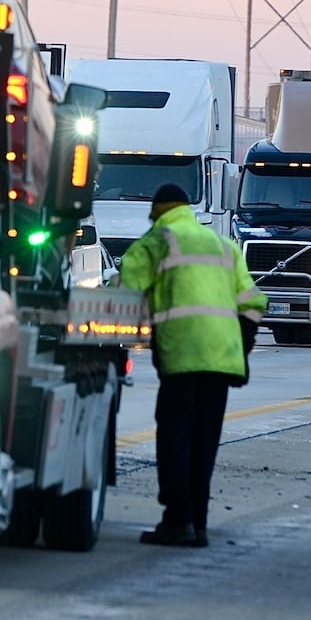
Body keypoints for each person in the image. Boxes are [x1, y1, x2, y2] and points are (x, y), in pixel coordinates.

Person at [117, 183, 268, 548]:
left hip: (182, 357)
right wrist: (240, 350)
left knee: (174, 438)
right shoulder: (223, 245)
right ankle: (197, 523)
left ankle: (176, 521)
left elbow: (122, 292)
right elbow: (253, 303)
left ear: (157, 212)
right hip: (222, 360)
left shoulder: (157, 241)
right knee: (204, 442)